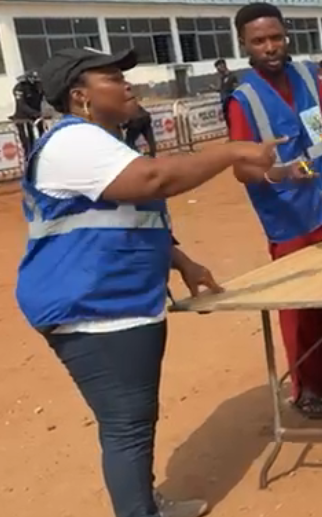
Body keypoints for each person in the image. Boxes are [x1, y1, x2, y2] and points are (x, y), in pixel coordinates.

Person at [16, 47, 282, 517]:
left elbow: (126, 215)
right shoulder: (73, 142)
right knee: (127, 424)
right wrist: (233, 150)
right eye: (112, 78)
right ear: (80, 96)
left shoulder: (99, 141)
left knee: (131, 420)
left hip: (113, 301)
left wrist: (181, 261)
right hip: (93, 308)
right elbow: (153, 180)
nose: (128, 85)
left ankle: (142, 502)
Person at [225, 2, 322, 420]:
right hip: (289, 215)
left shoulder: (308, 76)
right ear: (244, 44)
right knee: (297, 308)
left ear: (286, 36)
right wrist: (280, 173)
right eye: (259, 41)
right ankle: (304, 386)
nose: (270, 47)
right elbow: (241, 169)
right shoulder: (243, 100)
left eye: (276, 37)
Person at [11, 71, 44, 157]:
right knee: (27, 142)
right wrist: (35, 113)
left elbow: (43, 99)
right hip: (23, 118)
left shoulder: (39, 86)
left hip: (37, 117)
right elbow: (21, 105)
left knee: (42, 137)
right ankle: (28, 158)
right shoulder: (20, 87)